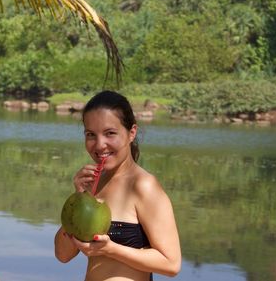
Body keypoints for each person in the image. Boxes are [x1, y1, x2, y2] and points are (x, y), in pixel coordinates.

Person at [54, 90, 181, 281]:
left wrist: (111, 249)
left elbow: (171, 264)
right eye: (91, 134)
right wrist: (78, 199)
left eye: (110, 133)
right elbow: (63, 255)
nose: (99, 145)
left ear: (131, 133)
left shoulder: (143, 185)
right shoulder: (93, 184)